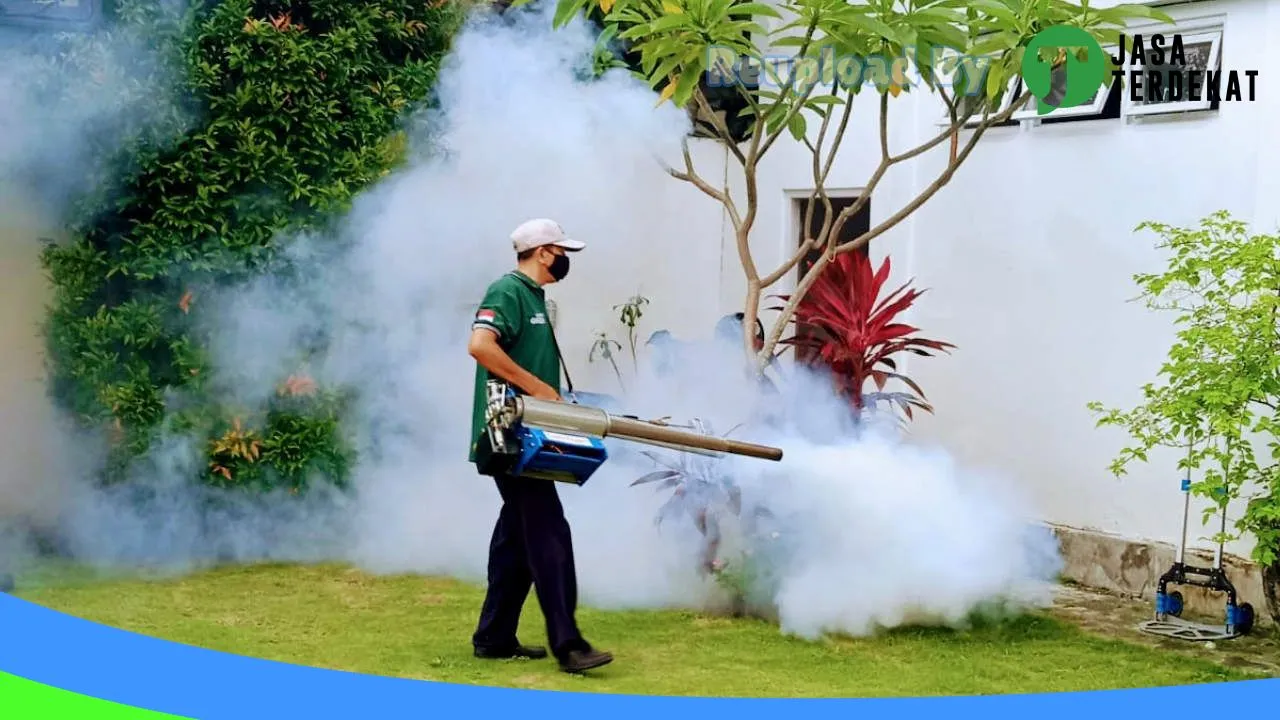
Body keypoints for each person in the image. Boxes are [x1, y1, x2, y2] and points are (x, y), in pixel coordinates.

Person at [466, 218, 614, 674]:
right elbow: (480, 346)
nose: (567, 259)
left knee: (517, 539)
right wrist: (537, 390)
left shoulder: (533, 298)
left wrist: (555, 399)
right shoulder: (506, 291)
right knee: (549, 531)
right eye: (563, 251)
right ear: (545, 252)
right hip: (507, 434)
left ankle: (493, 637)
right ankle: (569, 644)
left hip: (528, 432)